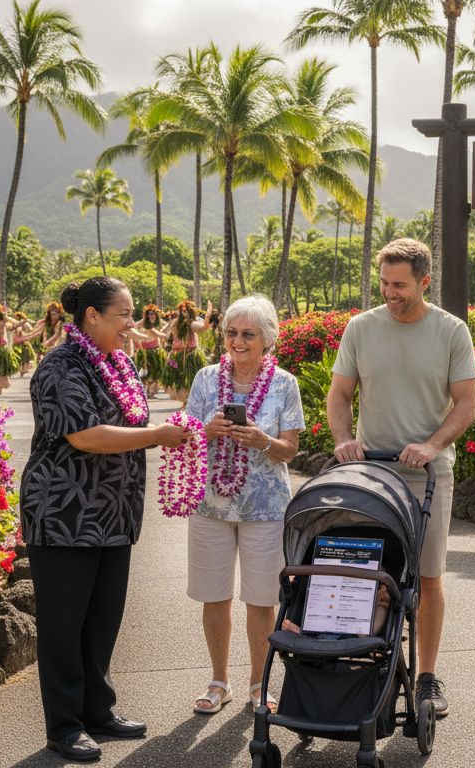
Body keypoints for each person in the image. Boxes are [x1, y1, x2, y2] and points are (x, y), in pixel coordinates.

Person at [20, 276, 193, 762]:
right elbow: (85, 436)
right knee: (63, 624)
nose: (131, 323)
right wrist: (159, 433)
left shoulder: (121, 362)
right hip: (64, 513)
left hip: (112, 514)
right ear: (91, 316)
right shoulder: (61, 366)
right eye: (124, 314)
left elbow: (131, 423)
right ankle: (65, 725)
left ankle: (99, 710)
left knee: (101, 621)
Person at [328, 238, 475, 717]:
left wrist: (433, 445)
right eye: (385, 283)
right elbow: (340, 394)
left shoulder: (451, 332)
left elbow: (467, 403)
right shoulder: (361, 328)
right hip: (370, 473)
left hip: (427, 476)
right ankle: (363, 663)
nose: (390, 293)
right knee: (368, 570)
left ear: (424, 282)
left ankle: (428, 678)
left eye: (400, 285)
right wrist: (342, 438)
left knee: (429, 578)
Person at [184, 295, 304, 716]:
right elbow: (185, 436)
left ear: (267, 340)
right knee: (213, 596)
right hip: (211, 507)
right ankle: (219, 681)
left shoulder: (285, 384)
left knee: (261, 599)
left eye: (248, 334)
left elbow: (289, 449)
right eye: (232, 332)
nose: (238, 341)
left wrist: (263, 441)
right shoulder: (205, 378)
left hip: (265, 509)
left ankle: (259, 683)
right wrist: (207, 431)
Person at [164, 299, 207, 406]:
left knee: (190, 379)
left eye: (187, 311)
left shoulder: (192, 323)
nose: (185, 313)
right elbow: (170, 336)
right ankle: (186, 399)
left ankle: (189, 400)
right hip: (177, 355)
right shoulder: (175, 323)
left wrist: (206, 321)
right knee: (179, 379)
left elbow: (201, 327)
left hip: (191, 356)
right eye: (183, 310)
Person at [126, 305, 166, 399]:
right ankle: (146, 391)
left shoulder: (159, 322)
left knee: (156, 371)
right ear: (146, 315)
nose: (152, 315)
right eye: (150, 314)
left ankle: (151, 391)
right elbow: (133, 326)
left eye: (153, 314)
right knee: (145, 372)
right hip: (145, 352)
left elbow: (167, 325)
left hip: (156, 350)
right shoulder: (144, 322)